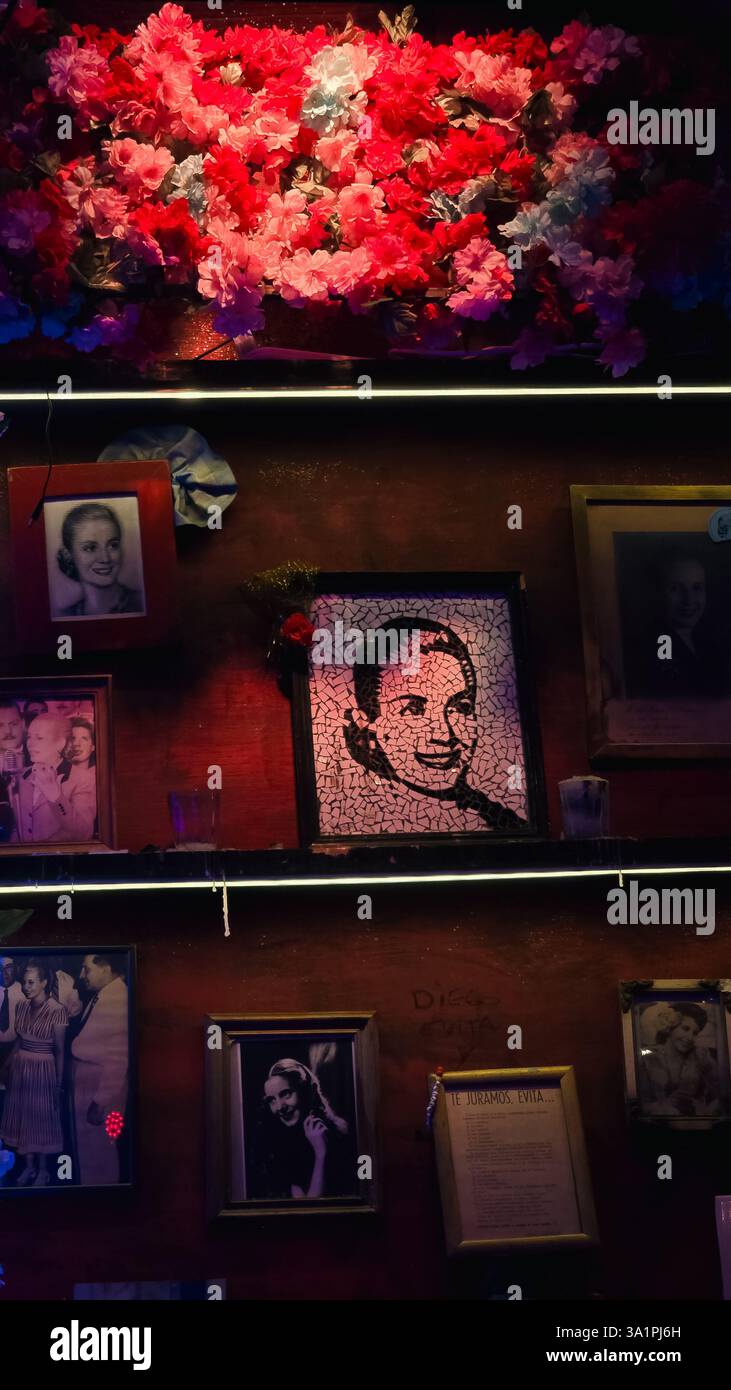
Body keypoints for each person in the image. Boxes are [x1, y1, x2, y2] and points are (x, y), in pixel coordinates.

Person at [343, 617, 525, 832]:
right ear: (367, 724)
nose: (444, 733)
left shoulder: (506, 825)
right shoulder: (357, 824)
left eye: (460, 707)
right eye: (412, 709)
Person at [0, 959, 68, 1187]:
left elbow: (60, 1050)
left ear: (44, 983)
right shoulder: (21, 1006)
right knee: (23, 1120)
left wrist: (58, 1083)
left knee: (41, 1122)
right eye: (24, 982)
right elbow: (20, 1040)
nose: (26, 987)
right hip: (21, 1069)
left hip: (43, 1070)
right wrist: (6, 1066)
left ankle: (43, 1171)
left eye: (31, 982)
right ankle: (28, 1168)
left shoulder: (57, 1010)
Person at [626, 549, 727, 699]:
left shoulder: (708, 646)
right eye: (675, 588)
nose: (689, 600)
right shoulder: (657, 646)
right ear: (658, 593)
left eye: (697, 587)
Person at [251, 1057, 354, 1200]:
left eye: (286, 1094)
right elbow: (309, 1208)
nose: (280, 1107)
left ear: (306, 1092)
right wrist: (320, 1154)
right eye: (272, 1100)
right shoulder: (276, 1148)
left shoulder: (341, 1132)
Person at [70, 954, 128, 1186]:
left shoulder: (118, 999)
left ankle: (101, 1203)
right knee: (90, 1151)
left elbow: (119, 1058)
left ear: (106, 967)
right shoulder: (104, 996)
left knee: (101, 1150)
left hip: (100, 1087)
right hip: (88, 1080)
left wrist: (100, 1101)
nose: (81, 975)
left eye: (86, 969)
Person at [55, 502, 143, 618]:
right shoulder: (65, 615)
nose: (105, 558)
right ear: (69, 554)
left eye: (113, 545)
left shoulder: (141, 603)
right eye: (90, 548)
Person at [640, 1003, 721, 1118]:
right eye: (685, 1029)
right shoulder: (648, 1056)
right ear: (670, 1027)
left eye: (695, 1033)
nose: (690, 1037)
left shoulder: (701, 1055)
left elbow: (723, 1090)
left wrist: (709, 1110)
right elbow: (641, 1103)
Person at [10, 714, 73, 844]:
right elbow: (17, 827)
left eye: (39, 738)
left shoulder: (81, 779)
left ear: (60, 743)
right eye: (29, 737)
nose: (30, 744)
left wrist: (56, 797)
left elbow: (82, 832)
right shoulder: (21, 776)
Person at [58, 718, 97, 841]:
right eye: (72, 738)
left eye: (84, 739)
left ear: (93, 747)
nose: (76, 744)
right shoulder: (53, 777)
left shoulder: (98, 778)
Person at [0, 957, 24, 1126]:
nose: (4, 972)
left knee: (13, 1101)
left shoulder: (25, 993)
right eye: (0, 968)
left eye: (8, 968)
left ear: (15, 969)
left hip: (16, 1050)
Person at [0, 700, 25, 843]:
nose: (8, 732)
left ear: (23, 724)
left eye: (13, 724)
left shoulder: (43, 757)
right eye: (0, 725)